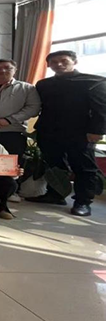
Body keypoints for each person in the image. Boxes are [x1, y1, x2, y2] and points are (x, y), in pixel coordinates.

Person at [32, 50, 106, 216]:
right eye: (54, 62)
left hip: (80, 133)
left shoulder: (93, 81)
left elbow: (101, 109)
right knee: (54, 164)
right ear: (48, 65)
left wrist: (97, 131)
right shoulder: (43, 84)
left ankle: (83, 201)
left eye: (63, 61)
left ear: (74, 62)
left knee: (84, 167)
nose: (58, 64)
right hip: (48, 131)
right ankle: (55, 194)